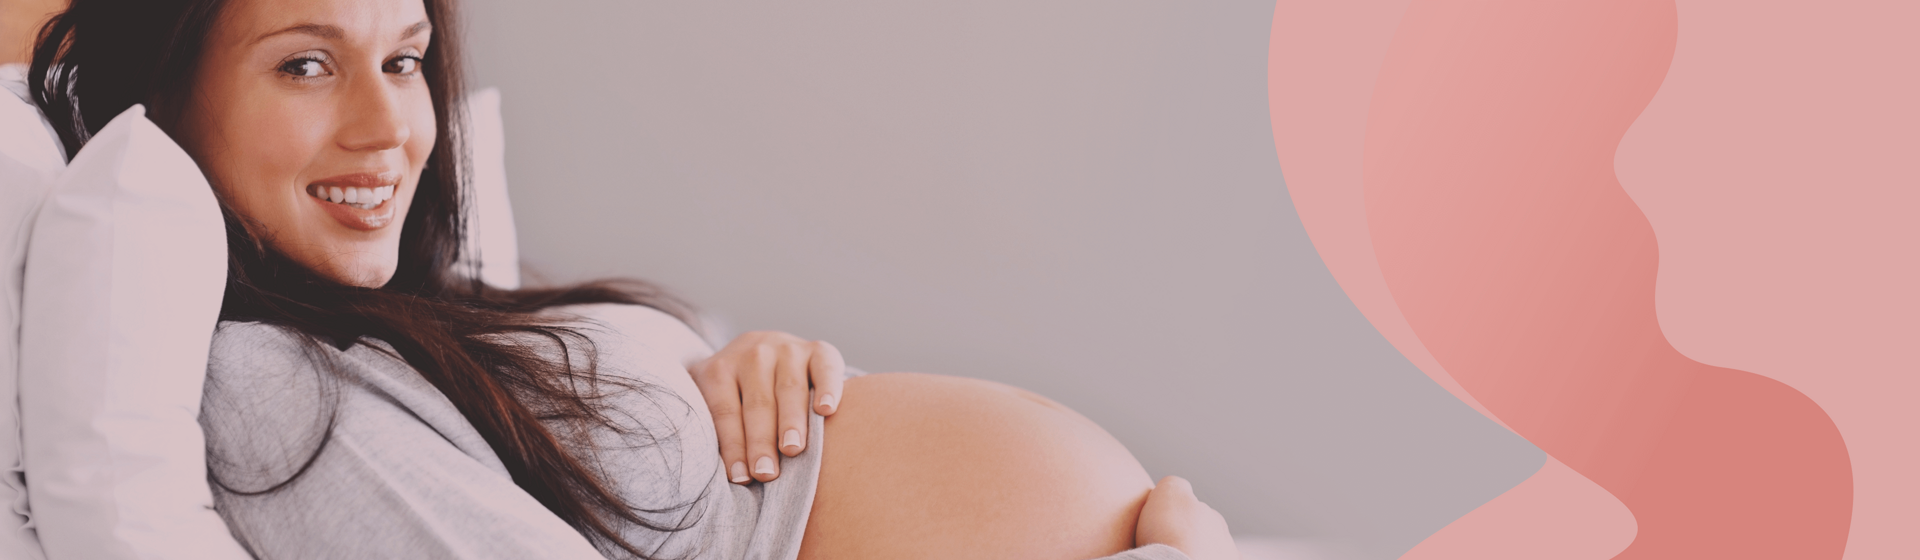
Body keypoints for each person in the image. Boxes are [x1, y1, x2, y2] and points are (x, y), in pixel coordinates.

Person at [28, 0, 1242, 558]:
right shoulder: (262, 390)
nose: (387, 127)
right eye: (305, 65)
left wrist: (752, 364)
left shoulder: (409, 320)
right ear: (169, 92)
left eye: (402, 60)